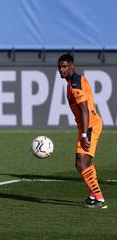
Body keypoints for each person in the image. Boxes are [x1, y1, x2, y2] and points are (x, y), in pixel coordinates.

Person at [58, 53, 107, 209]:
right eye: (59, 66)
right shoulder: (73, 82)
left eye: (64, 66)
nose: (61, 69)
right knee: (86, 162)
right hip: (89, 125)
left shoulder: (74, 84)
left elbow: (84, 110)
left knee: (81, 162)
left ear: (72, 66)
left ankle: (100, 199)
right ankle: (93, 196)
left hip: (90, 125)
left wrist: (85, 134)